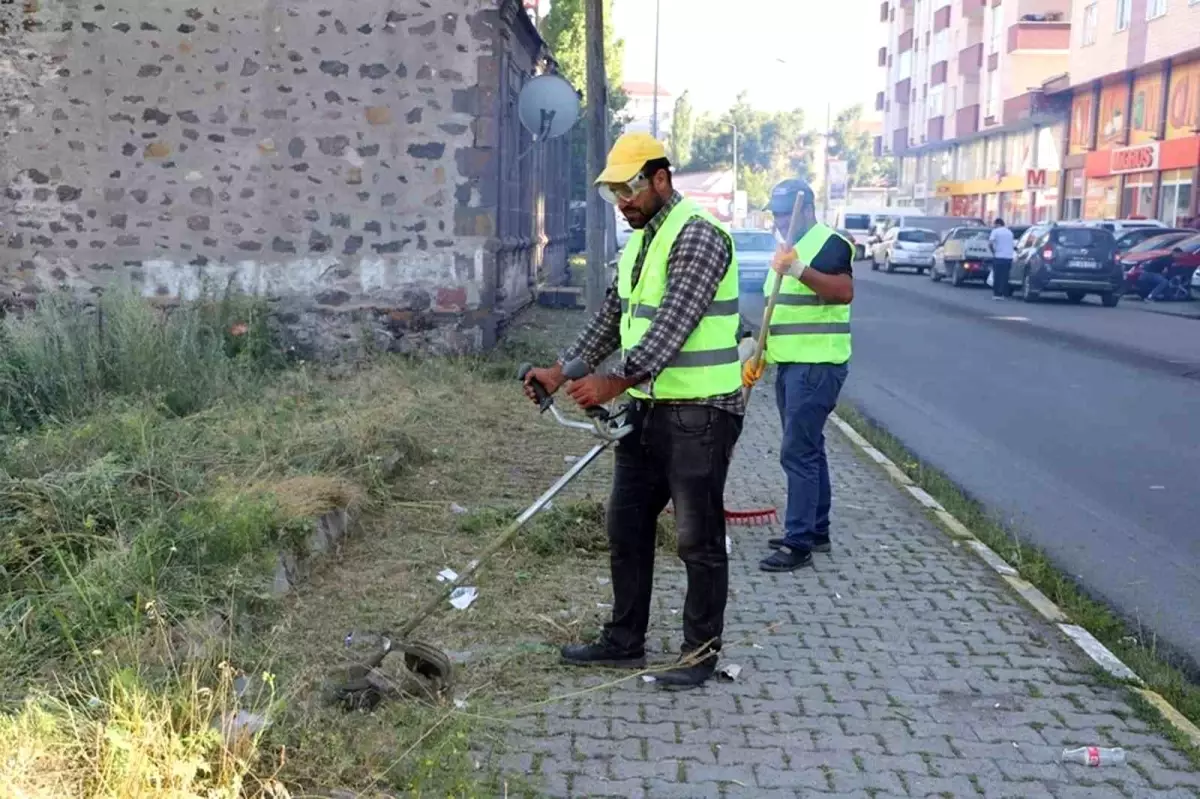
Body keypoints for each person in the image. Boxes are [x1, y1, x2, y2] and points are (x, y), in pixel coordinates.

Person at [522, 132, 743, 689]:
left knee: (697, 538)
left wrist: (611, 382)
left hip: (701, 412)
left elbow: (672, 327)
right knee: (625, 525)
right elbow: (611, 318)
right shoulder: (643, 242)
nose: (622, 201)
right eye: (614, 192)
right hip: (648, 409)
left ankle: (698, 655)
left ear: (661, 179)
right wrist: (562, 370)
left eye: (630, 188)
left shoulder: (698, 236)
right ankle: (624, 641)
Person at [742, 179, 854, 573]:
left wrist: (800, 269)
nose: (780, 220)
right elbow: (781, 311)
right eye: (776, 213)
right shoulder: (787, 248)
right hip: (791, 366)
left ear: (807, 210)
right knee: (810, 447)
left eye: (787, 213)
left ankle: (799, 542)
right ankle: (817, 530)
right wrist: (760, 356)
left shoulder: (829, 243)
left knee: (797, 452)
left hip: (817, 366)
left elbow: (842, 292)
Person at [988, 218, 1015, 299]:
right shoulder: (1009, 232)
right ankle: (1004, 293)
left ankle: (997, 294)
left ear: (997, 224)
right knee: (1005, 276)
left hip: (999, 256)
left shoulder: (995, 231)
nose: (994, 226)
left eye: (994, 225)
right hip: (1008, 257)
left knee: (997, 276)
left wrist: (993, 252)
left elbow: (990, 243)